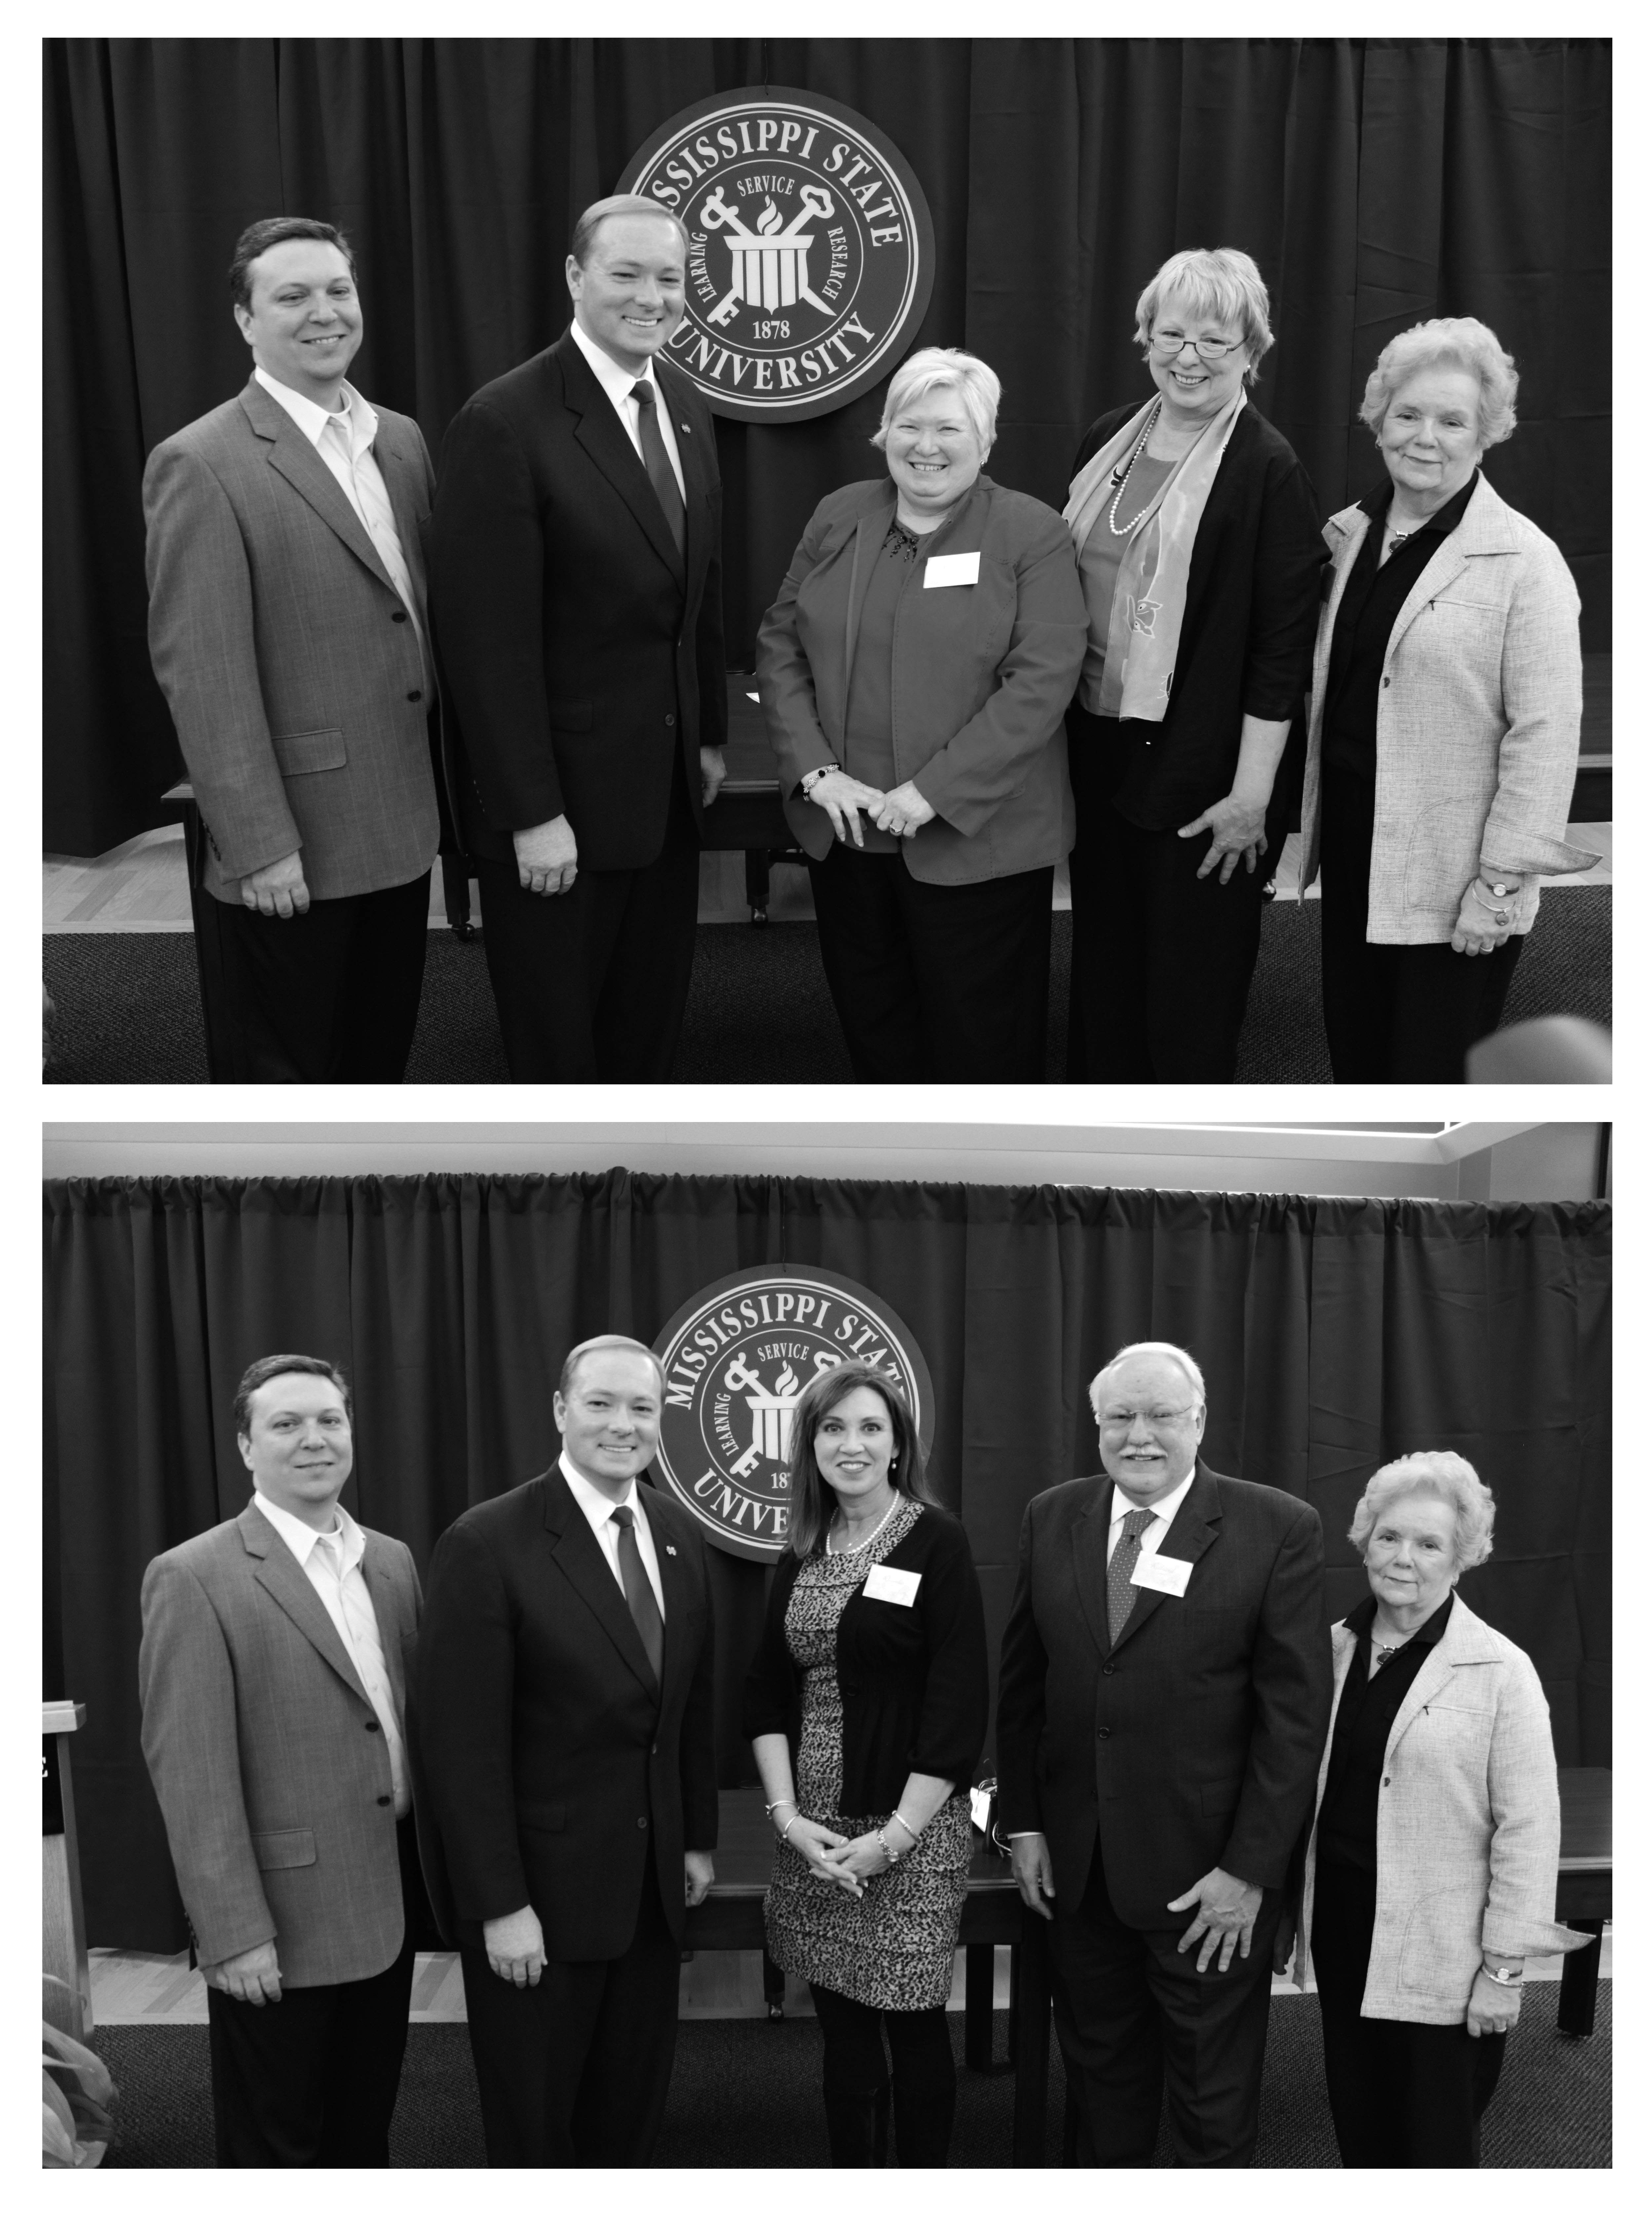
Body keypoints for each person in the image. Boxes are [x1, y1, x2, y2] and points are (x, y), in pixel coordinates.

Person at [995, 1341, 1331, 2166]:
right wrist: (1026, 1827)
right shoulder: (1051, 1515)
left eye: (1161, 1416)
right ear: (1097, 1423)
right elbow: (1022, 1690)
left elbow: (1293, 1721)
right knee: (1102, 2084)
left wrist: (1249, 1871)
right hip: (1078, 1872)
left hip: (1206, 1884)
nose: (1139, 1435)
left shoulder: (1276, 1527)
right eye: (1120, 1417)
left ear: (1200, 1422)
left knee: (1211, 2104)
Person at [429, 196, 727, 1081]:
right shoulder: (504, 422)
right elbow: (486, 645)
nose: (652, 297)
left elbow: (699, 587)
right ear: (574, 277)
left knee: (647, 1033)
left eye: (669, 279)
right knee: (560, 1050)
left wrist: (709, 729)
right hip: (561, 811)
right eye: (626, 274)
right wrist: (531, 814)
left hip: (665, 792)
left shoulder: (681, 399)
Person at [143, 218, 446, 1082]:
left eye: (339, 290)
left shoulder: (401, 439)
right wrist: (261, 844)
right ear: (246, 320)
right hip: (292, 845)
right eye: (293, 295)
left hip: (397, 822)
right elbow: (204, 676)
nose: (325, 312)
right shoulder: (199, 463)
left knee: (376, 1061)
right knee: (285, 1081)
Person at [414, 1336, 718, 2165]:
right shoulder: (486, 1543)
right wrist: (500, 1905)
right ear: (559, 1409)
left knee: (628, 2121)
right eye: (601, 1403)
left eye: (642, 1408)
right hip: (538, 1908)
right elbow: (459, 1749)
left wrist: (693, 1837)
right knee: (537, 2131)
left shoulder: (676, 1536)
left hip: (650, 1899)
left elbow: (688, 1706)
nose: (623, 1425)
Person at [757, 348, 1087, 1081]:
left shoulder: (1031, 533)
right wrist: (815, 773)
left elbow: (1041, 683)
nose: (926, 446)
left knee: (983, 1050)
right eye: (910, 425)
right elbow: (780, 645)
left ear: (986, 440)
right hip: (850, 835)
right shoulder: (839, 515)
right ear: (884, 431)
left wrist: (933, 793)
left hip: (977, 844)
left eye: (950, 429)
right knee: (876, 1033)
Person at [137, 1356, 428, 2165]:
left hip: (387, 1897)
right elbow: (190, 1771)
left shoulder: (393, 1561)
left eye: (330, 1420)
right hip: (277, 1921)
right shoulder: (194, 1575)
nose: (314, 1440)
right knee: (276, 2144)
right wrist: (232, 1933)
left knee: (362, 2130)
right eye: (286, 1424)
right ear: (245, 1446)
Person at [1298, 318, 1594, 1079]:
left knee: (1429, 1077)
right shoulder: (1347, 536)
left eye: (1452, 420)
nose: (1425, 436)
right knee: (1357, 1064)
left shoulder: (1525, 562)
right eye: (1408, 414)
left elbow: (1547, 733)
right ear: (1379, 419)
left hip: (1459, 878)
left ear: (1486, 432)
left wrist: (1497, 888)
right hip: (1358, 856)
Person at [1277, 1453, 1590, 2166]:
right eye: (1388, 1537)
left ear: (1463, 1557)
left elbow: (1530, 1832)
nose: (1403, 1559)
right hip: (1345, 1930)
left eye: (1428, 1544)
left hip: (1447, 1953)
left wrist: (1503, 1973)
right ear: (1364, 1539)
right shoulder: (1329, 1648)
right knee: (1359, 2125)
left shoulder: (1501, 1669)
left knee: (1434, 2146)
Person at [1062, 248, 1326, 1081]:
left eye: (1215, 340)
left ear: (1252, 350)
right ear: (1144, 338)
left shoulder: (1268, 468)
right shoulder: (1109, 438)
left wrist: (1252, 801)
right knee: (1105, 964)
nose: (1189, 356)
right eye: (1171, 334)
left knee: (1189, 985)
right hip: (1095, 748)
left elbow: (1283, 652)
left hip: (1207, 769)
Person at [742, 1361, 989, 2165]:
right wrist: (789, 1822)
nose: (851, 1444)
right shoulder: (801, 1550)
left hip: (910, 1837)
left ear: (896, 1445)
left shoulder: (934, 1541)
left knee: (914, 2028)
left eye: (870, 1427)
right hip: (812, 1840)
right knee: (844, 2038)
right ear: (810, 1444)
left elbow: (957, 1709)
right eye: (833, 1427)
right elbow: (765, 1698)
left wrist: (893, 1838)